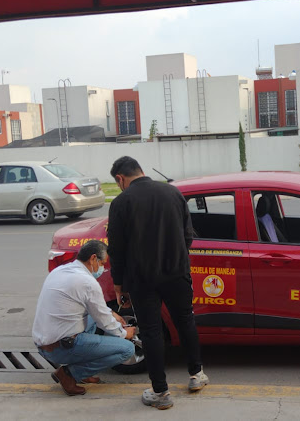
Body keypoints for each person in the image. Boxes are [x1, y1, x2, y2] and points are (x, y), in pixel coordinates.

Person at [107, 156, 207, 410]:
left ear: (120, 179)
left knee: (151, 331)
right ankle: (196, 375)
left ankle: (160, 392)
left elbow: (116, 249)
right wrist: (178, 261)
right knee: (185, 320)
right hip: (177, 274)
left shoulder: (121, 202)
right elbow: (188, 236)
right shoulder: (173, 193)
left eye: (118, 183)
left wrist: (119, 284)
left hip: (142, 279)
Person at [32, 240, 137, 396]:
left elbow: (97, 310)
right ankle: (69, 374)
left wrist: (112, 313)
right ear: (93, 259)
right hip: (59, 346)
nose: (102, 268)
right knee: (127, 349)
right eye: (102, 263)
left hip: (43, 341)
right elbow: (104, 321)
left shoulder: (61, 270)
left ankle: (83, 372)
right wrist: (124, 333)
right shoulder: (87, 282)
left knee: (95, 318)